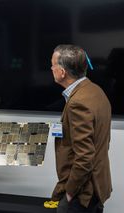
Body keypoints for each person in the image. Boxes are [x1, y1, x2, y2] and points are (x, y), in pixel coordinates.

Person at [50, 44, 112, 213]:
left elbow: (85, 156)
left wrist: (69, 193)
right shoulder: (95, 90)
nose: (51, 68)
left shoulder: (78, 102)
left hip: (82, 194)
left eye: (53, 65)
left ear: (62, 72)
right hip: (96, 186)